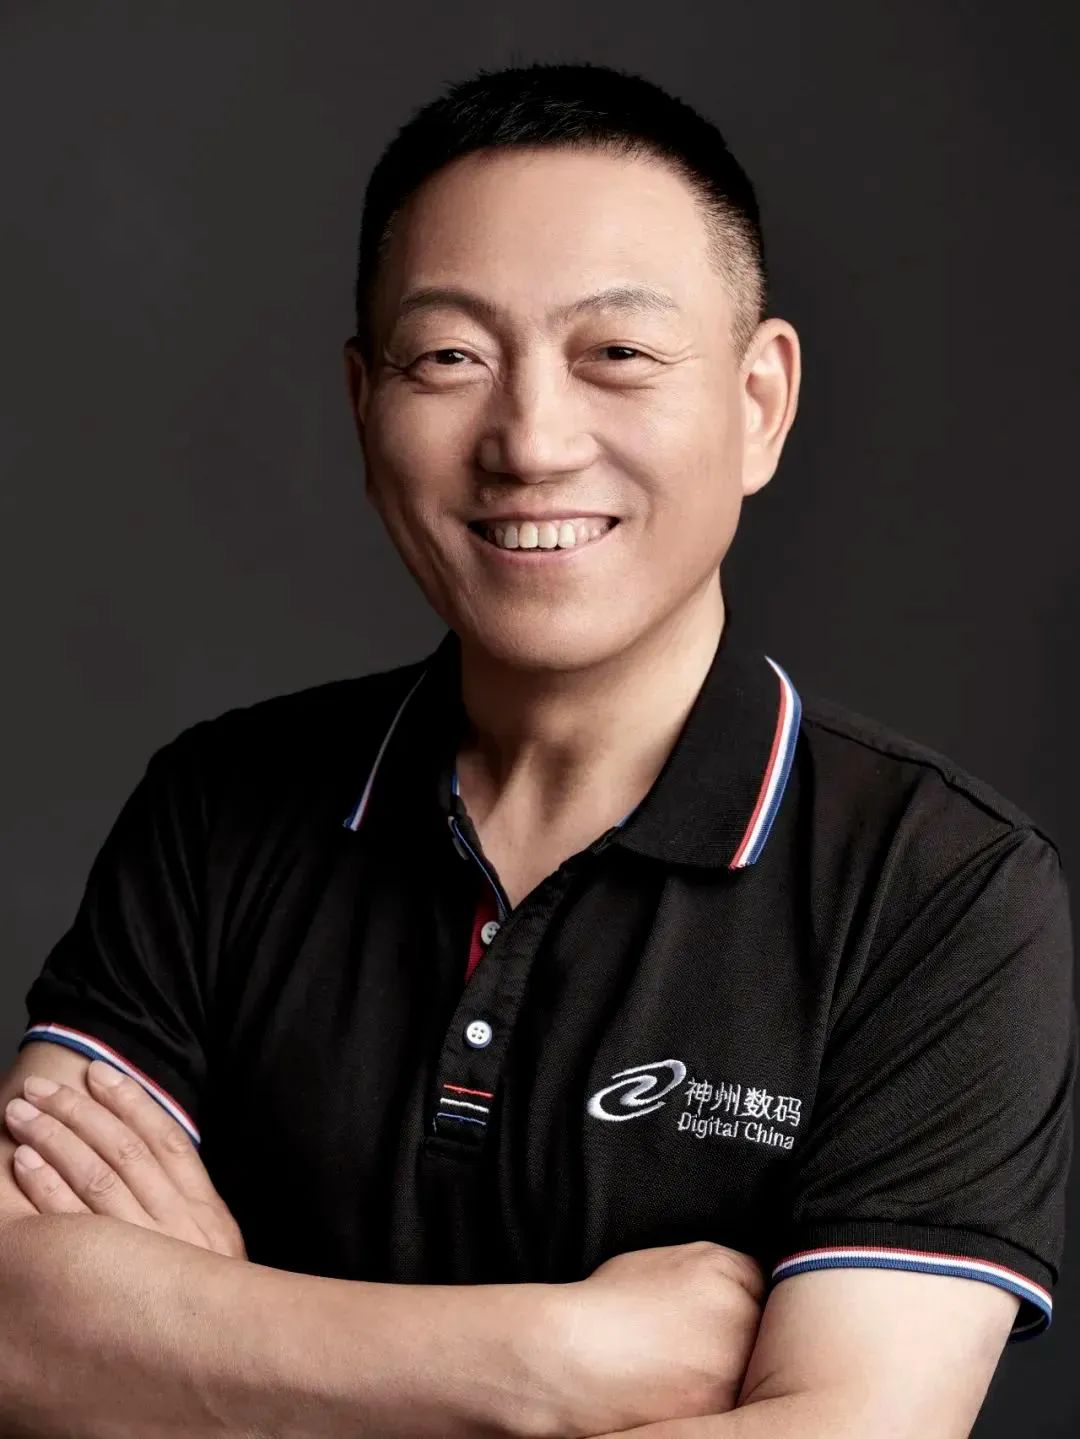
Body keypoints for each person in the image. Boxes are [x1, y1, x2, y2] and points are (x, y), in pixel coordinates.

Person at [0, 59, 1074, 1439]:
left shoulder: (940, 889)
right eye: (450, 358)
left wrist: (211, 1353)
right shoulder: (219, 807)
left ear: (760, 401)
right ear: (361, 401)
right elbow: (17, 1327)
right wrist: (547, 1363)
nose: (529, 440)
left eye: (615, 354)